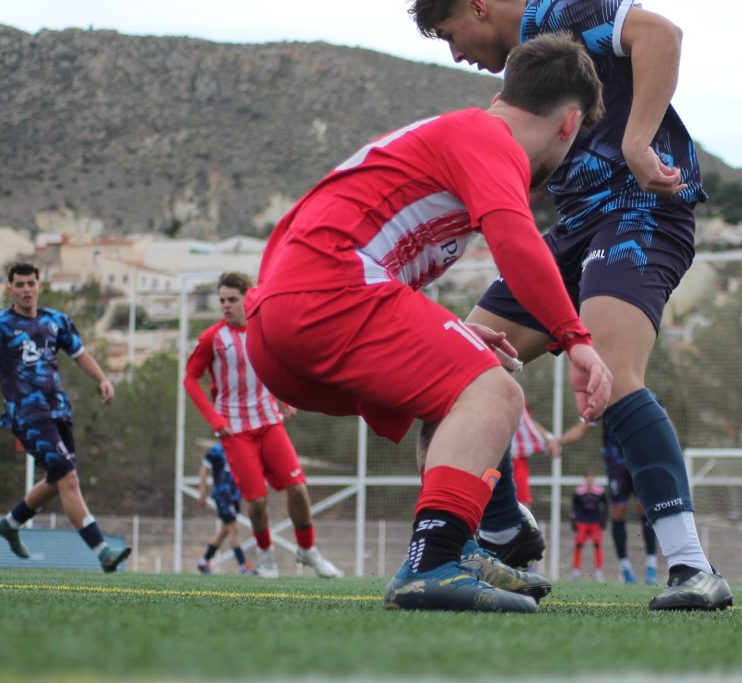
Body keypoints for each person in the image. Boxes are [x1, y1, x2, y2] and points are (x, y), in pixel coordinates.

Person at [244, 33, 612, 613]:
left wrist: (453, 337)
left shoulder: (458, 137)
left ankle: (455, 546)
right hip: (325, 293)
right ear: (569, 124)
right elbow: (517, 242)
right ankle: (431, 563)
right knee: (496, 393)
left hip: (282, 318)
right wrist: (577, 338)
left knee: (455, 391)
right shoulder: (489, 140)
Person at [410, 0, 733, 610]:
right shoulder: (524, 71)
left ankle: (692, 566)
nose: (454, 54)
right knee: (455, 370)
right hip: (572, 229)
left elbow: (661, 35)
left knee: (612, 373)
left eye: (451, 35)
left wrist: (638, 142)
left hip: (639, 212)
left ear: (478, 6)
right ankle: (502, 530)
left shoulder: (559, 10)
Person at [0, 263, 131, 572]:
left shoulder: (57, 321)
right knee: (68, 478)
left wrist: (102, 379)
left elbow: (80, 354)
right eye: (19, 285)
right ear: (10, 289)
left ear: (39, 286)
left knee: (58, 479)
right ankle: (103, 551)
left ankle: (10, 523)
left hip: (59, 411)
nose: (26, 289)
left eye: (31, 283)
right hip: (27, 415)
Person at [184, 272, 342, 580]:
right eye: (222, 300)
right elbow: (190, 379)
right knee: (256, 501)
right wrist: (216, 420)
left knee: (298, 488)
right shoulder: (213, 338)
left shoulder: (264, 331)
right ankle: (266, 558)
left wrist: (285, 396)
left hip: (270, 423)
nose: (226, 305)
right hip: (235, 431)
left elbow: (277, 366)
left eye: (232, 299)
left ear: (248, 298)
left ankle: (308, 550)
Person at [561, 420, 658, 584]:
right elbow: (586, 423)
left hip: (640, 454)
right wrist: (559, 441)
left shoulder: (647, 405)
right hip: (615, 458)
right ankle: (625, 567)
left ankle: (651, 564)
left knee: (644, 508)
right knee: (619, 511)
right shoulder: (604, 404)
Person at [196, 442, 256, 575]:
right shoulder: (217, 450)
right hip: (223, 496)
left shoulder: (241, 447)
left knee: (224, 531)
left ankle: (204, 561)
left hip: (234, 496)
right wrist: (203, 491)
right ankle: (243, 565)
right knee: (234, 530)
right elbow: (204, 469)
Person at [570, 471, 608, 581]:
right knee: (578, 545)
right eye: (588, 479)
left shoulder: (600, 492)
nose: (590, 481)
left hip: (595, 522)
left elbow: (606, 506)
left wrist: (603, 519)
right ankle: (576, 571)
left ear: (594, 479)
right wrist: (574, 520)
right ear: (585, 479)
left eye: (591, 479)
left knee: (597, 545)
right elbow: (574, 507)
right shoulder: (578, 492)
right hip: (582, 522)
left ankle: (598, 572)